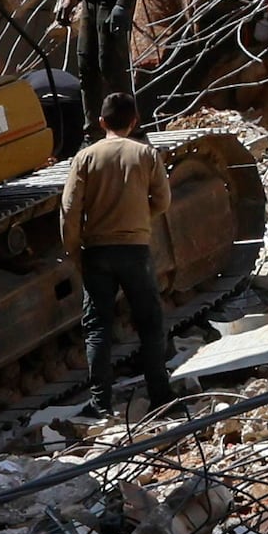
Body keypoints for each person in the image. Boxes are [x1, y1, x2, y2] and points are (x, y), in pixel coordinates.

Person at [57, 92, 176, 413]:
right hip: (135, 250)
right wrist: (139, 220)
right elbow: (163, 201)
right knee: (150, 323)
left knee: (98, 328)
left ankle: (101, 403)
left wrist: (75, 252)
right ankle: (161, 396)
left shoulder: (85, 158)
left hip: (97, 251)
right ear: (134, 121)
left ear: (101, 122)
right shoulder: (146, 155)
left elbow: (69, 211)